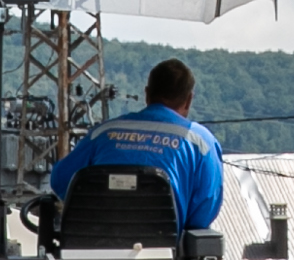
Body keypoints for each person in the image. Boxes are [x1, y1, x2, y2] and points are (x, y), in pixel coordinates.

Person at [45, 58, 231, 232]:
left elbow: (60, 180)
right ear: (189, 99)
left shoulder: (103, 133)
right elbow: (203, 213)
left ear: (147, 94)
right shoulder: (201, 143)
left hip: (96, 249)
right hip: (163, 255)